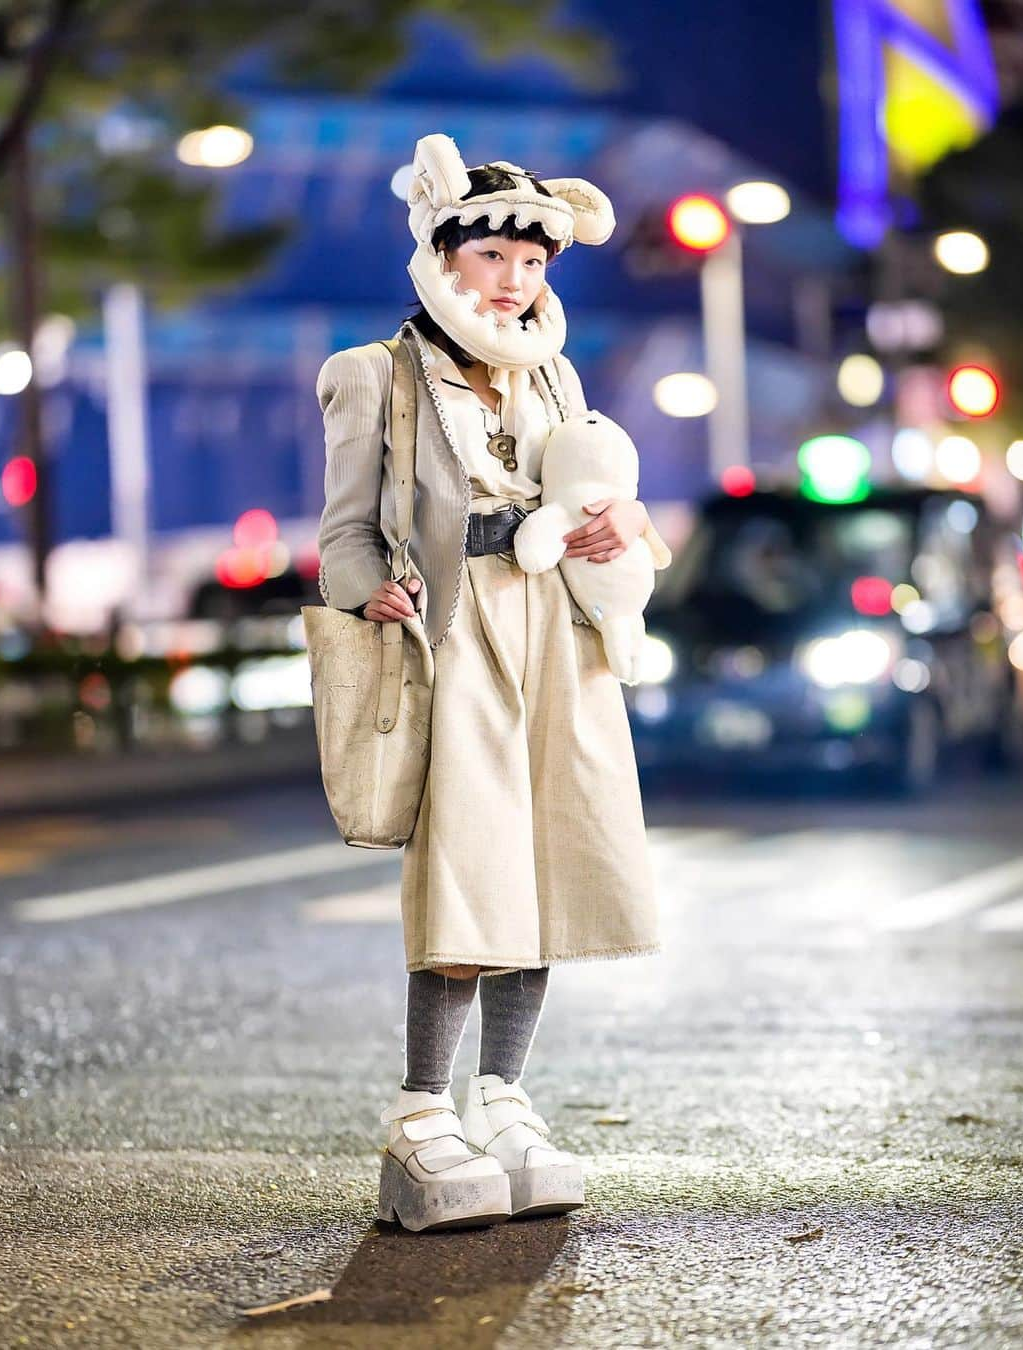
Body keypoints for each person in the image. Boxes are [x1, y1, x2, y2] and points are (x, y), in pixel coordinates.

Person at [315, 133, 672, 1233]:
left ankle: (506, 1099)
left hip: (560, 632)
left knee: (553, 864)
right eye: (495, 255)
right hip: (456, 634)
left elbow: (594, 494)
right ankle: (423, 1109)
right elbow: (338, 540)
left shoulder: (556, 373)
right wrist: (370, 589)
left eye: (534, 259)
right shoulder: (376, 373)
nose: (516, 277)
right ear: (444, 252)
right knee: (468, 877)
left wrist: (616, 527)